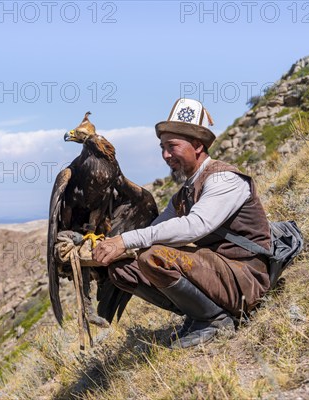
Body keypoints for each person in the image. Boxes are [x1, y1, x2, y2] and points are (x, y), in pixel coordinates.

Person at [93, 98, 272, 348]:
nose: (166, 155)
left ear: (197, 145)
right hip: (218, 274)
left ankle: (215, 320)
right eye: (162, 147)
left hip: (246, 278)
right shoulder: (183, 195)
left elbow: (194, 226)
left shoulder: (225, 180)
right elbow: (153, 230)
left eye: (172, 146)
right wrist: (104, 250)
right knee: (121, 269)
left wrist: (126, 240)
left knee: (153, 257)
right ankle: (199, 314)